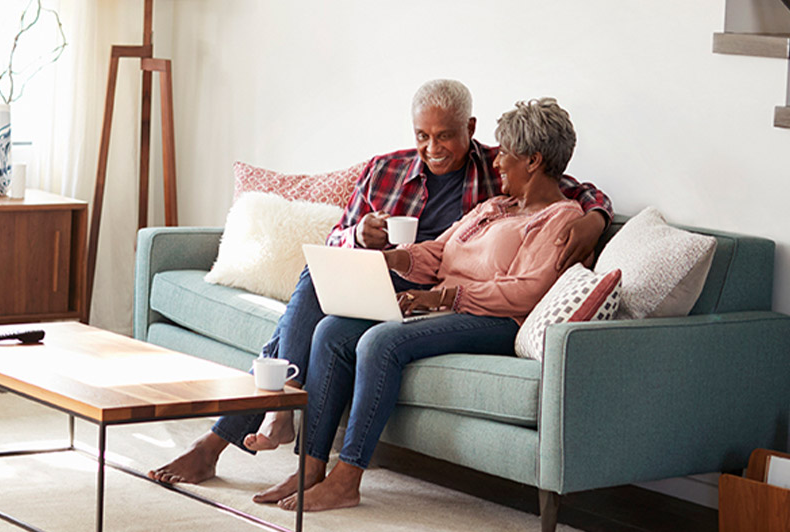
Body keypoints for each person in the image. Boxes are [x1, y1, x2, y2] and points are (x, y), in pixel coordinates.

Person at [147, 81, 612, 485]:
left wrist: (596, 218)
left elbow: (563, 187)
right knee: (318, 279)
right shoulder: (397, 173)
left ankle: (246, 427)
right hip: (395, 272)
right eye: (422, 136)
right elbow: (352, 240)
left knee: (345, 330)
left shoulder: (499, 173)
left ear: (471, 130)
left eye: (446, 135)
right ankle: (282, 424)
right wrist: (364, 240)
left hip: (439, 294)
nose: (433, 147)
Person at [253, 97, 584, 512]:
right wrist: (391, 258)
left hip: (495, 319)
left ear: (534, 161)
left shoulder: (561, 218)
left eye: (507, 156)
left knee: (380, 341)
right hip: (447, 308)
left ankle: (347, 477)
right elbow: (439, 253)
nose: (497, 163)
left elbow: (527, 290)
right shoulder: (493, 208)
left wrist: (443, 296)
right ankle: (310, 467)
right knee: (333, 330)